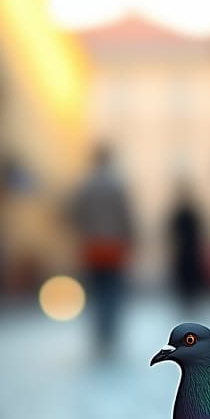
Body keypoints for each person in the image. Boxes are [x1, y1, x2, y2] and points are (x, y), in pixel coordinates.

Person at [69, 144, 135, 354]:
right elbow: (126, 216)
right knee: (113, 292)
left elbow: (76, 214)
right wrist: (130, 238)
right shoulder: (117, 186)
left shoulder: (86, 186)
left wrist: (85, 232)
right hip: (114, 247)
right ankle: (110, 332)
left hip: (92, 247)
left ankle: (99, 332)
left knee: (96, 291)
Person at [168, 182, 207, 308]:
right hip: (186, 250)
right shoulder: (185, 214)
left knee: (188, 277)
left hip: (187, 250)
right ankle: (187, 300)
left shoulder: (184, 214)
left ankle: (188, 300)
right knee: (186, 277)